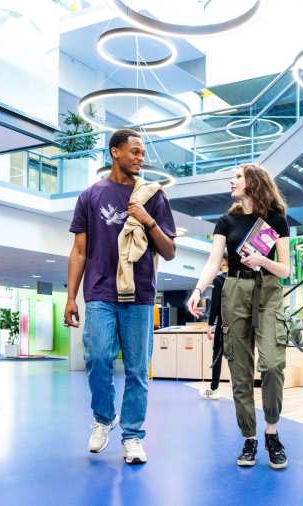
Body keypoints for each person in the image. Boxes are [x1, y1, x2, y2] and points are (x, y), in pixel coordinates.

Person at [63, 129, 177, 465]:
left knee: (138, 370)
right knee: (98, 357)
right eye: (135, 152)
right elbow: (79, 250)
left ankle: (132, 436)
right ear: (115, 152)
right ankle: (102, 418)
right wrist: (71, 297)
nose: (141, 158)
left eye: (143, 153)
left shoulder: (153, 196)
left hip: (139, 293)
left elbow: (169, 251)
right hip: (99, 291)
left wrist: (147, 219)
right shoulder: (90, 195)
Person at [186, 163, 291, 470]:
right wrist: (197, 290)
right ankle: (250, 437)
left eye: (237, 177)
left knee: (272, 364)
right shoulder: (226, 221)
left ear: (253, 182)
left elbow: (285, 269)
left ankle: (272, 431)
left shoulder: (276, 219)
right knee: (240, 370)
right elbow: (212, 261)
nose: (231, 181)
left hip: (268, 291)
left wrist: (262, 260)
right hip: (233, 290)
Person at [201, 254, 228, 401]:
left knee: (217, 355)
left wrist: (210, 325)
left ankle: (213, 388)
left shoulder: (219, 279)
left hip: (223, 324)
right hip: (240, 323)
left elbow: (216, 304)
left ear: (223, 261)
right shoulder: (239, 278)